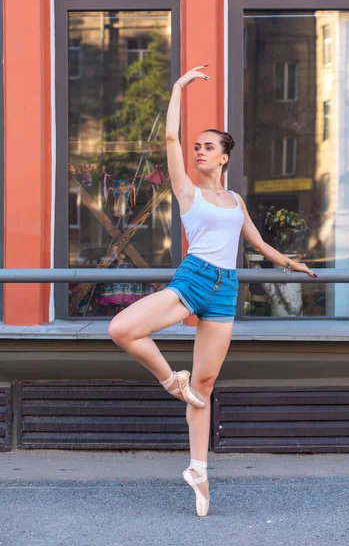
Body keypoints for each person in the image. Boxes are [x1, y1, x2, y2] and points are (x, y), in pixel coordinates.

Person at [108, 65, 317, 517]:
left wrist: (287, 262)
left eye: (207, 147)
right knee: (122, 328)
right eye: (197, 146)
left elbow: (256, 242)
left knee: (204, 385)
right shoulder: (187, 192)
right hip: (193, 278)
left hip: (225, 289)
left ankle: (198, 472)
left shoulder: (236, 199)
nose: (199, 151)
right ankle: (169, 379)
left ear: (224, 156)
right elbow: (169, 142)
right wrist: (179, 89)